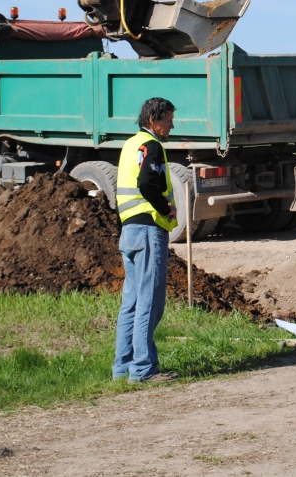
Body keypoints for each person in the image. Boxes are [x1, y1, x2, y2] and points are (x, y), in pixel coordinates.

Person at [112, 98, 179, 384]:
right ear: (153, 120)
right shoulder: (151, 146)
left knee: (132, 302)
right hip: (148, 229)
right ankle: (143, 370)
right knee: (150, 302)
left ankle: (122, 369)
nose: (171, 125)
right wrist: (165, 208)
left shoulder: (130, 144)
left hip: (129, 232)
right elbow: (147, 183)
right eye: (168, 119)